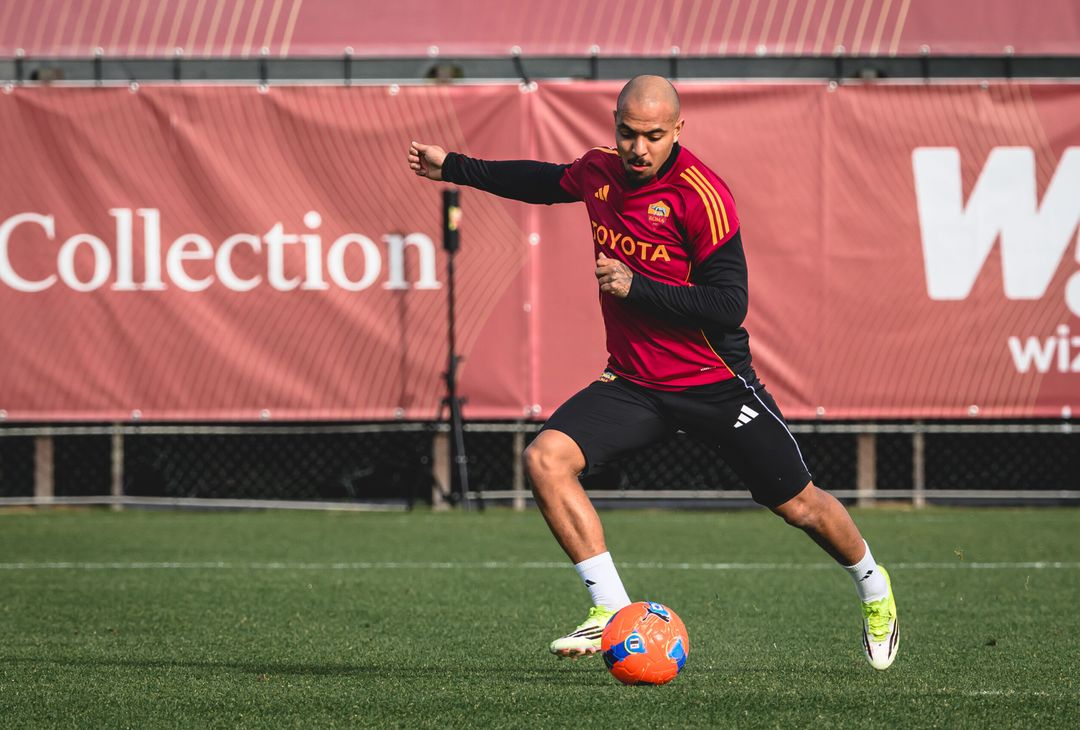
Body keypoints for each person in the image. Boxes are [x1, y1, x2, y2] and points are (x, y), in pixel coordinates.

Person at [406, 75, 898, 670]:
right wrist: (454, 166)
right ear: (615, 125)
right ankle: (611, 612)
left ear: (678, 131)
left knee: (799, 505)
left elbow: (728, 305)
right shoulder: (600, 170)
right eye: (628, 133)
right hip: (636, 384)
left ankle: (874, 589)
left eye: (654, 136)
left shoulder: (702, 196)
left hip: (714, 385)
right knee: (545, 459)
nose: (639, 148)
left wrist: (637, 286)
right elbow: (542, 181)